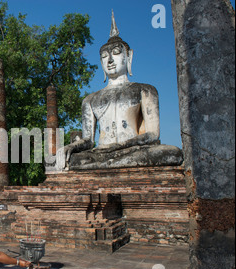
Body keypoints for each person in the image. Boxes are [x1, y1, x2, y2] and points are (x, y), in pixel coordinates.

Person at [56, 11, 165, 171]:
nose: (111, 60)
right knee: (72, 159)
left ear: (129, 56)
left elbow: (153, 135)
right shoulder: (90, 99)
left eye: (116, 53)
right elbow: (88, 140)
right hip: (101, 153)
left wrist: (119, 146)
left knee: (169, 153)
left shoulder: (145, 90)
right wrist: (69, 147)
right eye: (105, 56)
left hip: (133, 150)